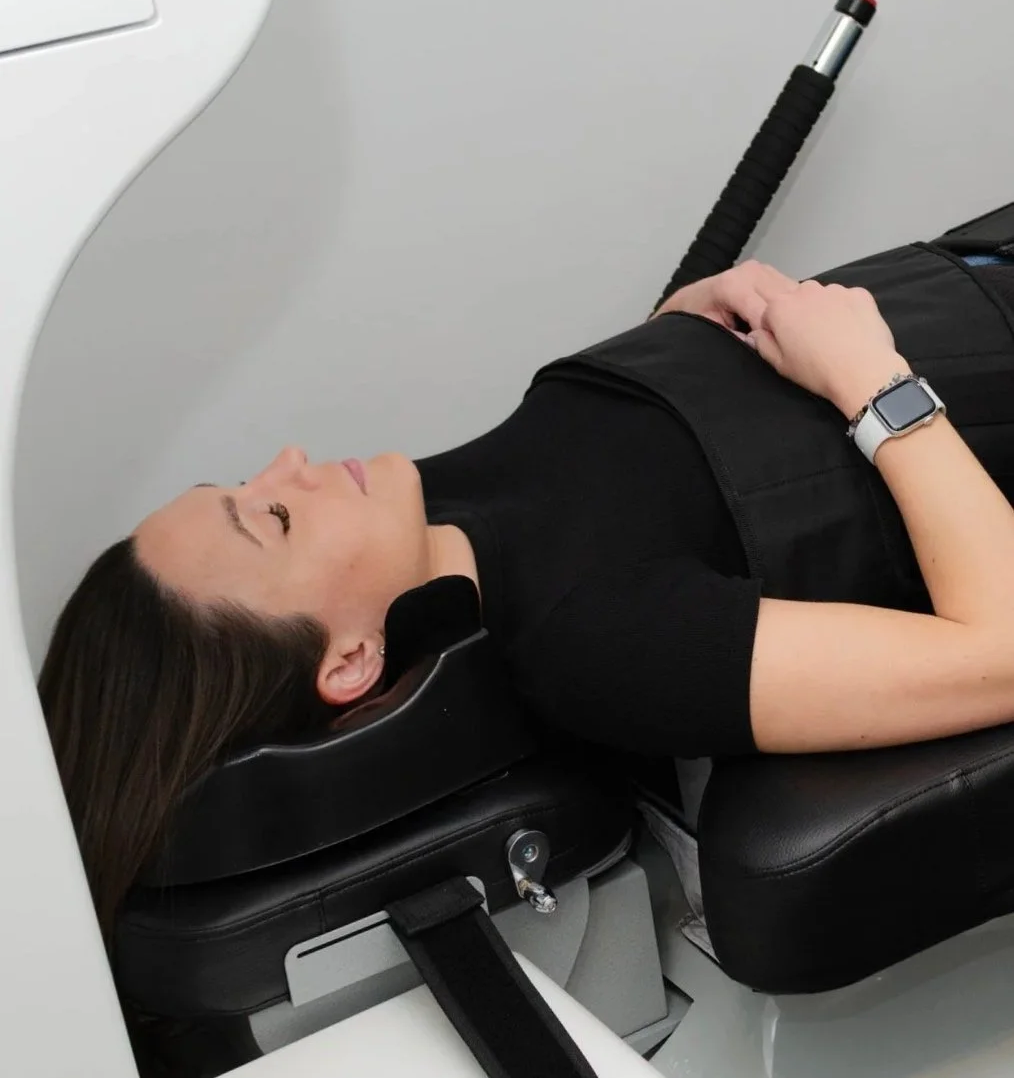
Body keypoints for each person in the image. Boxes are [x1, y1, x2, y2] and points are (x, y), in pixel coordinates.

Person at [37, 251, 1014, 945]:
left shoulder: (432, 512)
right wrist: (870, 383)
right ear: (349, 661)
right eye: (275, 521)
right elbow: (998, 651)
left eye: (244, 484)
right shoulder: (596, 642)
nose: (291, 465)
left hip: (965, 271)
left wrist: (677, 341)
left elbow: (629, 483)